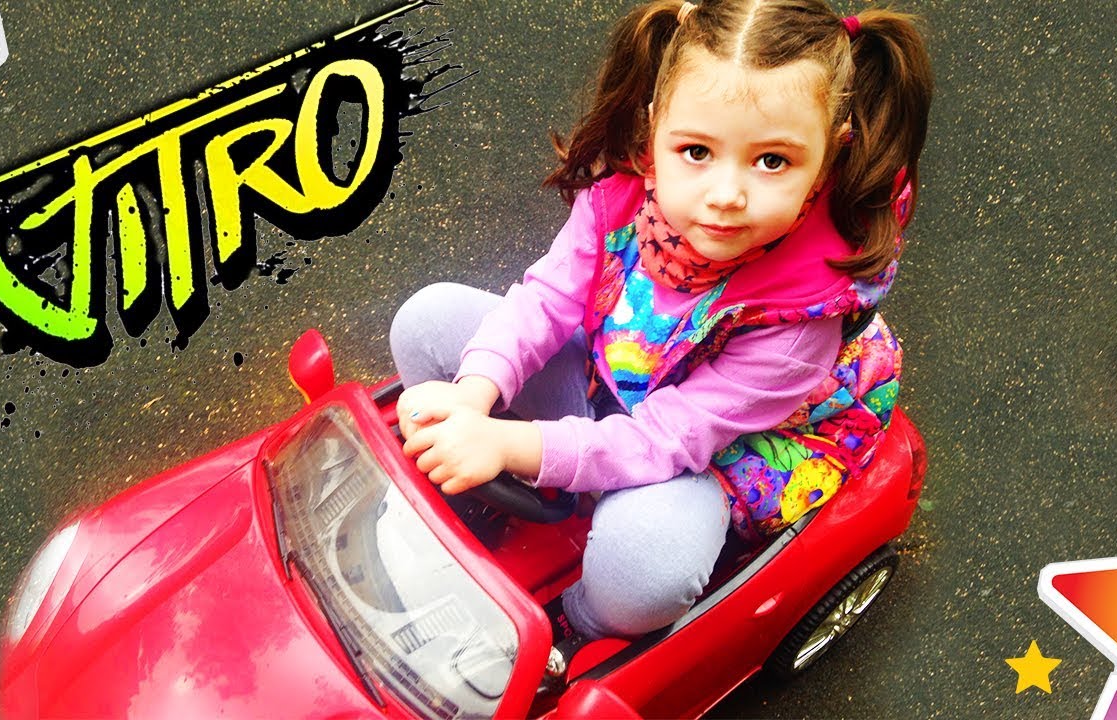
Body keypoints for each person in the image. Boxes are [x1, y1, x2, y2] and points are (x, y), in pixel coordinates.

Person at [389, 0, 933, 644]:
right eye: (696, 150)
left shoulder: (800, 323)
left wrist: (508, 445)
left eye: (772, 161)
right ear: (654, 128)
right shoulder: (624, 194)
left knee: (648, 567)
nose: (726, 195)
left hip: (718, 446)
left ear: (829, 154)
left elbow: (663, 441)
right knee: (426, 321)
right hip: (627, 371)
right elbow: (545, 299)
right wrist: (473, 397)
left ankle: (578, 627)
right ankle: (509, 483)